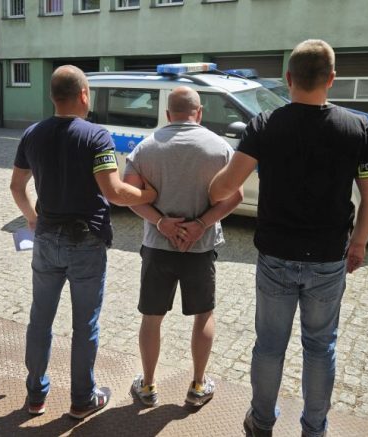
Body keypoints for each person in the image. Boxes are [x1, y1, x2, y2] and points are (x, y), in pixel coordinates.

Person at [209, 40, 368, 437]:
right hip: (328, 258)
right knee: (320, 347)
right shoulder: (357, 128)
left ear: (288, 78)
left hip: (276, 256)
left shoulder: (264, 125)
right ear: (332, 79)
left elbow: (225, 188)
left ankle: (261, 422)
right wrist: (359, 243)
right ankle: (314, 429)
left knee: (269, 345)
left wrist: (210, 184)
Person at [10, 65, 157, 420]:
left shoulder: (32, 134)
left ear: (52, 96)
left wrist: (32, 217)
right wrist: (148, 194)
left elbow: (17, 186)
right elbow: (114, 192)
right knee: (85, 324)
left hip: (46, 239)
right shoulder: (96, 136)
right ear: (83, 95)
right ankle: (81, 399)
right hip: (85, 242)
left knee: (40, 319)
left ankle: (35, 396)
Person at [123, 86, 242, 408]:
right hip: (200, 248)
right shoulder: (220, 148)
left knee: (152, 317)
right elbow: (235, 197)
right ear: (199, 113)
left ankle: (148, 386)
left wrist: (161, 222)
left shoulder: (145, 148)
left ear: (167, 114)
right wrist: (201, 223)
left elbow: (129, 195)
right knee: (203, 315)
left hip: (157, 246)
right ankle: (199, 385)